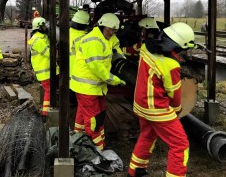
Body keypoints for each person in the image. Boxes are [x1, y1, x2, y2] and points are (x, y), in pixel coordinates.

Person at [128, 22, 196, 177]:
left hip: (140, 106)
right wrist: (177, 111)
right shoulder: (170, 65)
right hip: (157, 110)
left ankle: (135, 171)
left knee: (147, 135)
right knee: (180, 145)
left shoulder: (146, 48)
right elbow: (174, 94)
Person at [70, 13, 126, 150]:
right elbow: (97, 67)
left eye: (115, 30)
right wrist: (115, 80)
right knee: (93, 117)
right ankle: (98, 149)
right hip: (86, 87)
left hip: (94, 86)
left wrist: (122, 59)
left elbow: (116, 46)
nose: (112, 33)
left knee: (95, 111)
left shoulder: (108, 37)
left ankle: (77, 135)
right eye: (109, 30)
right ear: (101, 26)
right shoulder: (92, 41)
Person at [28, 17, 59, 116]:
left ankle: (48, 109)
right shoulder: (37, 40)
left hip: (48, 69)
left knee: (50, 89)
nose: (45, 27)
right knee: (48, 90)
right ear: (39, 27)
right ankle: (45, 113)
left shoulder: (42, 37)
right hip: (44, 71)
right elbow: (49, 53)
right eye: (43, 25)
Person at [69, 10, 91, 132]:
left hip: (69, 71)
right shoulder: (84, 38)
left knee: (79, 103)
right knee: (84, 105)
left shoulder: (67, 32)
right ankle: (82, 131)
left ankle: (78, 130)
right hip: (80, 73)